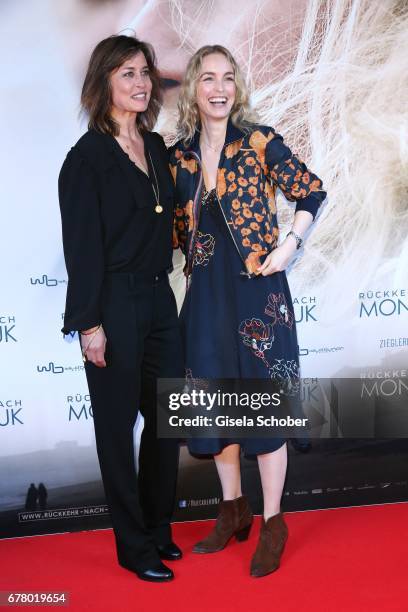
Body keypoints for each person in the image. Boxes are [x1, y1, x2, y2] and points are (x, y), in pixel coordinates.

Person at [170, 45, 326, 577]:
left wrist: (289, 246)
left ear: (237, 88)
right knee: (218, 406)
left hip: (258, 297)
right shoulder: (180, 158)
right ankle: (233, 508)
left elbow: (312, 193)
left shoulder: (258, 141)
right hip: (206, 300)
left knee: (263, 411)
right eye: (209, 78)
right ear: (194, 87)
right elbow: (173, 234)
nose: (219, 88)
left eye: (228, 79)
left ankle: (273, 521)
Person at [58, 35, 184, 583]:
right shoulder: (85, 159)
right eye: (126, 73)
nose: (139, 83)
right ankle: (133, 547)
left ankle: (159, 530)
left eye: (144, 72)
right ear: (103, 82)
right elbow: (81, 249)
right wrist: (90, 324)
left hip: (160, 297)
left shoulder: (155, 147)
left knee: (164, 420)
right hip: (111, 302)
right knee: (116, 431)